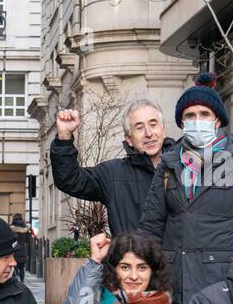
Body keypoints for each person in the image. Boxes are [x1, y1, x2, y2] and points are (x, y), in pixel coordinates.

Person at [138, 73, 233, 304]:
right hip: (174, 290)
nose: (197, 120)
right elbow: (151, 226)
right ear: (182, 123)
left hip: (226, 291)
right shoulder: (168, 164)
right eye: (190, 115)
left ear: (218, 120)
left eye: (204, 114)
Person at [50, 97, 174, 235]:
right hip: (131, 249)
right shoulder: (113, 174)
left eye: (153, 124)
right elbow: (69, 179)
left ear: (163, 130)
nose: (149, 133)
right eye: (139, 128)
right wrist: (64, 137)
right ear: (129, 139)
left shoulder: (184, 168)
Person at [10, 214, 34, 283]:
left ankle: (14, 282)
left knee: (13, 268)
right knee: (22, 269)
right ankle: (22, 282)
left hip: (14, 250)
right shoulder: (26, 229)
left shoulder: (11, 228)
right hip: (23, 250)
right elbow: (28, 240)